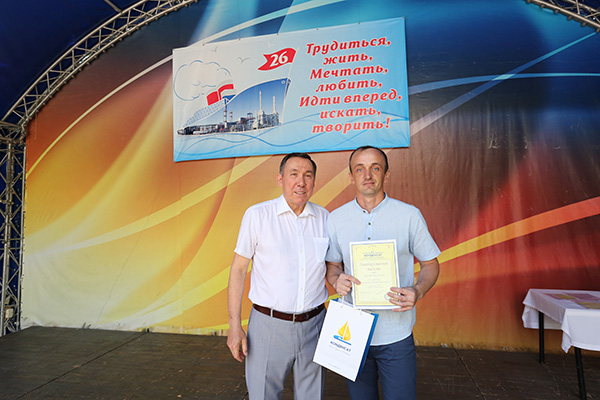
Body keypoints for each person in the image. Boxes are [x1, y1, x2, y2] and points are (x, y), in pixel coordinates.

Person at [326, 146, 440, 400]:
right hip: (352, 333)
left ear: (386, 174)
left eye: (375, 168)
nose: (367, 175)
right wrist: (336, 281)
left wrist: (418, 290)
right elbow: (333, 266)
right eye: (360, 169)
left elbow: (431, 264)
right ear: (351, 176)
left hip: (396, 333)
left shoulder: (409, 215)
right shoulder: (336, 219)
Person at [227, 152, 329, 400]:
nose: (301, 182)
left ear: (314, 181)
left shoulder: (326, 218)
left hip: (315, 325)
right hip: (268, 326)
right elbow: (238, 269)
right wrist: (234, 326)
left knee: (312, 396)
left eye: (308, 175)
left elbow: (334, 267)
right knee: (263, 395)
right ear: (280, 179)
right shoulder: (257, 215)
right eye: (294, 174)